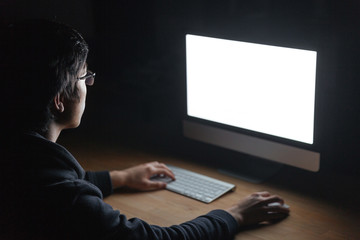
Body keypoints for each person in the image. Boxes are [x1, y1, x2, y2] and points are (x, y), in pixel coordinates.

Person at [0, 19, 289, 240]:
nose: (90, 84)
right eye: (84, 77)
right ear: (59, 100)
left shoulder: (20, 159)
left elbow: (55, 180)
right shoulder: (65, 198)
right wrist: (234, 215)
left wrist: (120, 177)